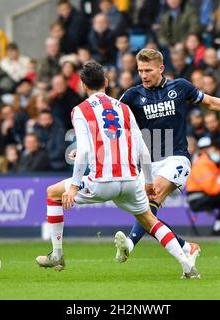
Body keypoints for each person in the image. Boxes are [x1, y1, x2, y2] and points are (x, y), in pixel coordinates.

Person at [36, 61, 201, 279]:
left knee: (52, 193)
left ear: (83, 86)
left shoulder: (80, 110)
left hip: (102, 183)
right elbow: (142, 148)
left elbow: (84, 150)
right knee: (150, 220)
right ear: (106, 82)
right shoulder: (122, 108)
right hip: (131, 180)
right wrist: (149, 181)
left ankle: (57, 255)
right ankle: (188, 266)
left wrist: (74, 187)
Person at [112, 48, 220, 263]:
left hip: (177, 158)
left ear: (161, 68)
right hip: (149, 162)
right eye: (140, 70)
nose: (144, 75)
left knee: (152, 196)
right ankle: (186, 246)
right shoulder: (132, 95)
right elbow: (110, 121)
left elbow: (208, 102)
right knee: (146, 214)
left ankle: (129, 244)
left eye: (148, 70)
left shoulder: (180, 87)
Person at [186, 137, 220, 235]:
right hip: (197, 198)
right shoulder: (202, 163)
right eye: (215, 149)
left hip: (209, 194)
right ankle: (218, 228)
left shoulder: (217, 163)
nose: (218, 152)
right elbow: (211, 188)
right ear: (208, 150)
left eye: (219, 150)